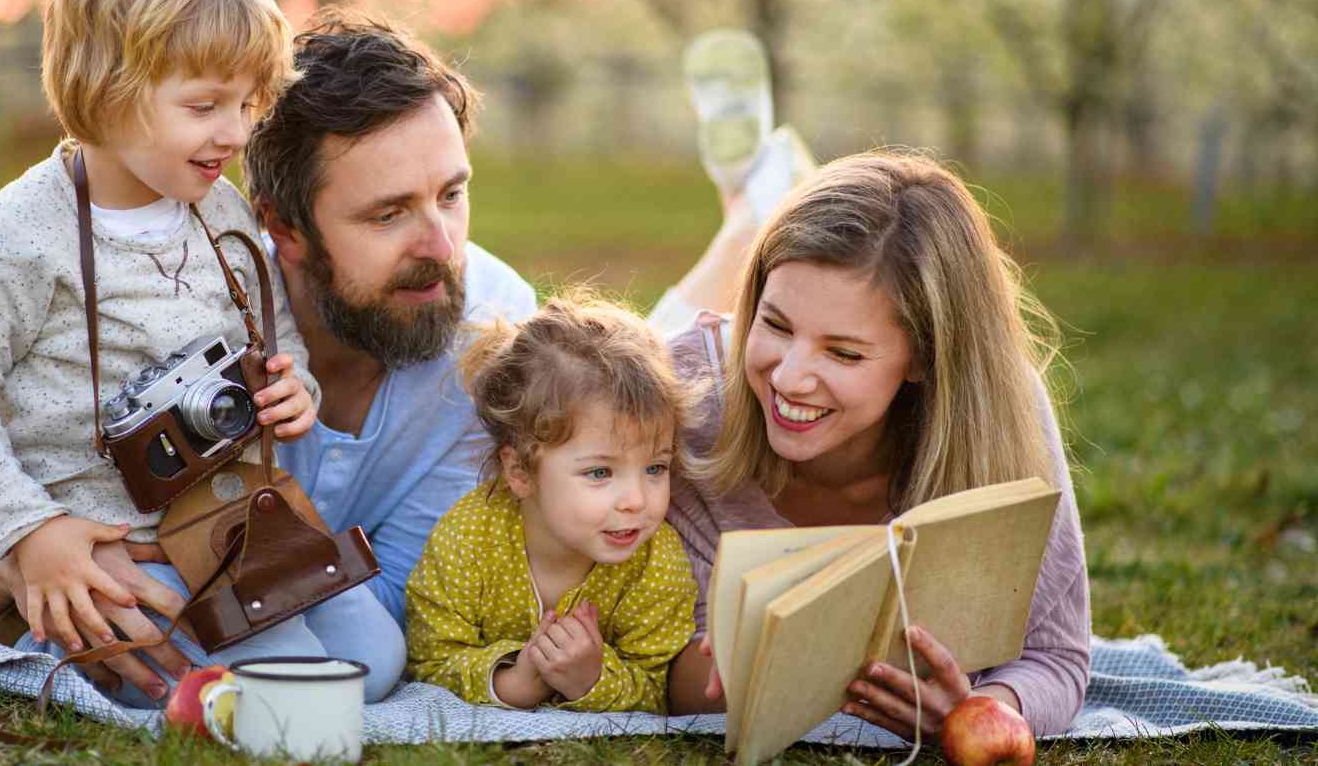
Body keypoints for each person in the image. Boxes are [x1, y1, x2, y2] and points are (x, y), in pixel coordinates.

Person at [0, 7, 538, 701]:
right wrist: (31, 566)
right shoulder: (183, 310)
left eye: (452, 195)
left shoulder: (493, 337)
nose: (442, 246)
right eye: (388, 214)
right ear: (283, 229)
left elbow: (401, 619)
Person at [662, 150, 1091, 739]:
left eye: (843, 352)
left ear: (924, 355)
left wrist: (974, 714)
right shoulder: (684, 401)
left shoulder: (1003, 417)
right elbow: (644, 662)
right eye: (776, 324)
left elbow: (1056, 658)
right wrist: (728, 672)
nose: (788, 377)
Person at [405, 292, 700, 712]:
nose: (637, 500)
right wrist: (513, 681)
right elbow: (429, 659)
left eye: (655, 468)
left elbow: (658, 685)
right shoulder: (467, 540)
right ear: (520, 472)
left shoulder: (656, 564)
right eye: (600, 472)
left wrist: (593, 679)